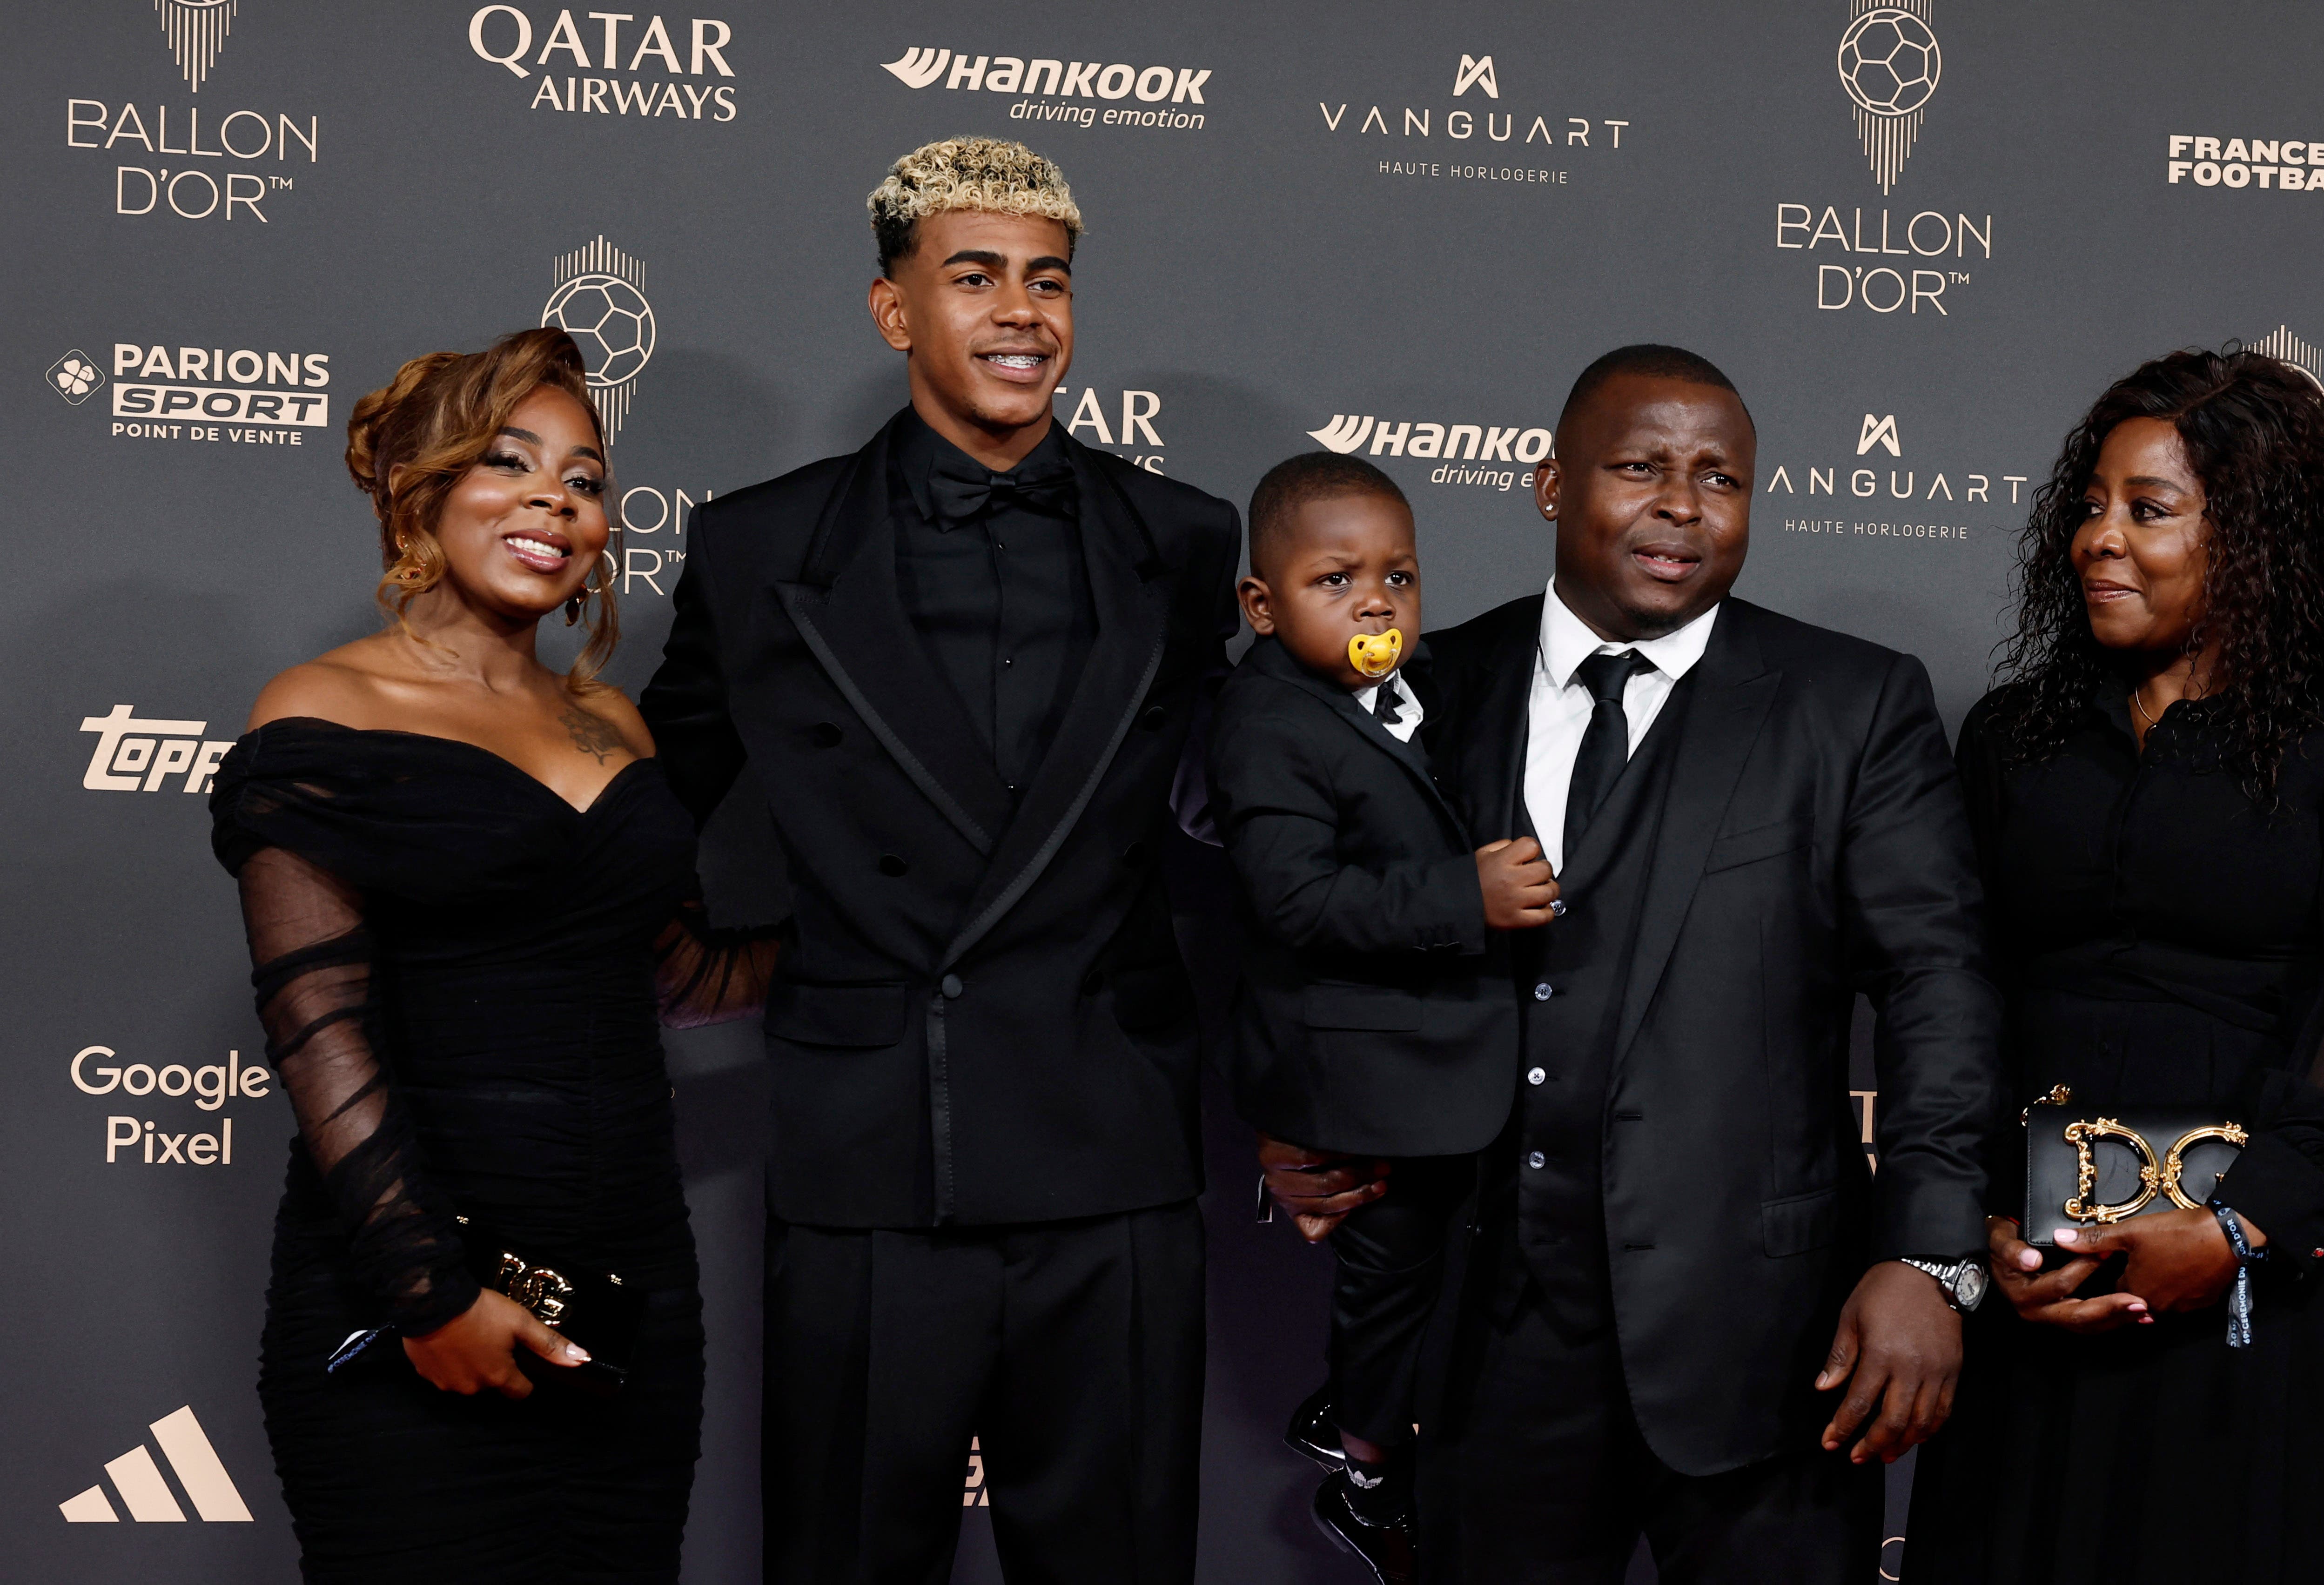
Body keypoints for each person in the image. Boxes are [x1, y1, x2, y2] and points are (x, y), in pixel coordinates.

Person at [1268, 344, 2003, 1583]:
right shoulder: (1429, 685)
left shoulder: (1850, 702)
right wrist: (1292, 1110)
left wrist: (1930, 1253)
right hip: (1487, 1333)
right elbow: (1305, 906)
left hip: (1769, 1345)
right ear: (1552, 484)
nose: (1683, 502)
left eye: (1721, 477)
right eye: (1640, 467)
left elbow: (1939, 982)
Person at [638, 136, 1239, 1582]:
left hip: (1114, 1152)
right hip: (869, 1157)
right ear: (893, 309)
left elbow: (1261, 829)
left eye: (1050, 281)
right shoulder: (757, 546)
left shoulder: (1185, 539)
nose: (1022, 312)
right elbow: (642, 812)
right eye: (975, 277)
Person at [208, 328, 779, 1583]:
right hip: (408, 1296)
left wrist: (910, 937)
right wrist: (430, 1291)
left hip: (630, 1296)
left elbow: (680, 976)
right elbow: (318, 1025)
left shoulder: (614, 719)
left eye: (583, 479)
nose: (555, 501)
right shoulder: (321, 710)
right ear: (420, 490)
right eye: (509, 463)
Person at [1901, 349, 2324, 1585]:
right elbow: (1964, 1002)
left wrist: (2236, 1227)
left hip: (2284, 1301)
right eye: (2089, 506)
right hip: (2052, 1283)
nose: (2099, 539)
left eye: (2148, 510)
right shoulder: (2016, 735)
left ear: (2259, 536)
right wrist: (1984, 1225)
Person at [1207, 453, 1554, 1583]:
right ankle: (1364, 1470)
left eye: (1399, 576)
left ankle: (1358, 1402)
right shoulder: (1266, 718)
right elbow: (1294, 899)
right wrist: (1468, 894)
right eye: (1336, 579)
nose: (1375, 603)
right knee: (1393, 1265)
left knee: (1435, 1271)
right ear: (1262, 604)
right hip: (1362, 1082)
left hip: (1434, 1068)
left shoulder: (1409, 688)